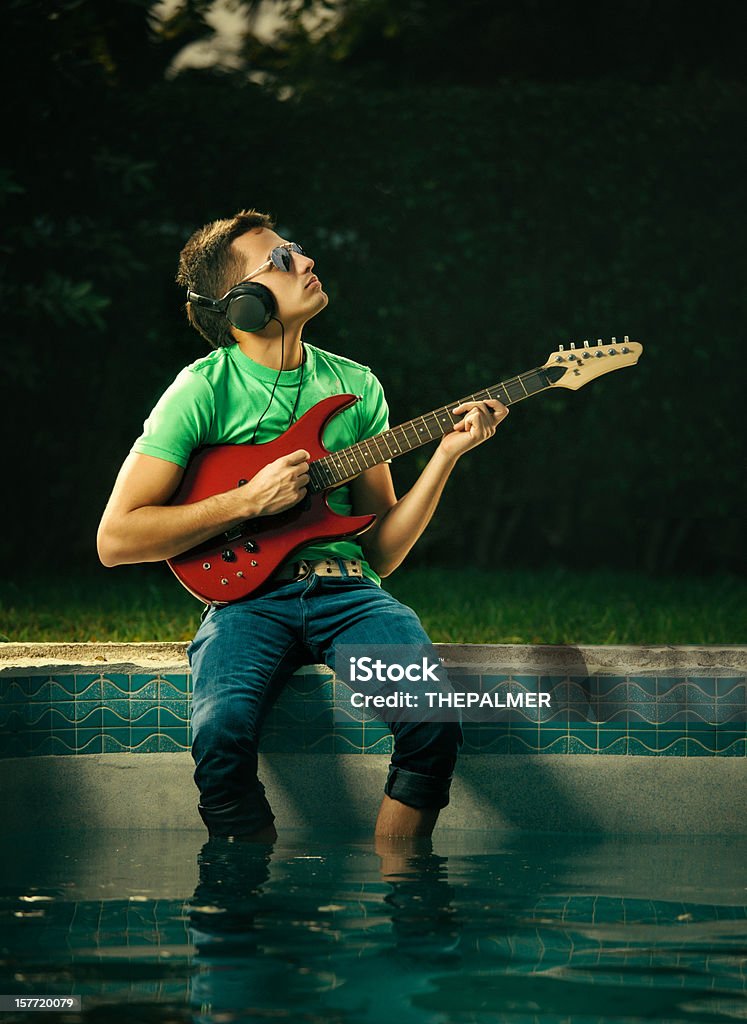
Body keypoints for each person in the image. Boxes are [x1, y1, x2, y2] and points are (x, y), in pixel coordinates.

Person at [97, 208, 509, 842]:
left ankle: (403, 886)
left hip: (350, 592)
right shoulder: (201, 389)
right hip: (247, 603)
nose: (307, 260)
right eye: (283, 258)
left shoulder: (354, 385)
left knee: (431, 715)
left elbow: (382, 551)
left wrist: (447, 455)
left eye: (298, 250)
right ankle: (242, 898)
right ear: (244, 305)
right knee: (220, 734)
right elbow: (117, 538)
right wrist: (246, 502)